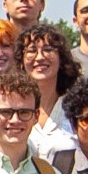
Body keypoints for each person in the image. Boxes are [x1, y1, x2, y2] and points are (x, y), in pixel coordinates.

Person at [19, 24, 80, 163]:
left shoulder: (76, 109)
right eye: (32, 50)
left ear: (61, 59)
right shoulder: (13, 109)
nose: (40, 57)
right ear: (21, 61)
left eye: (48, 50)